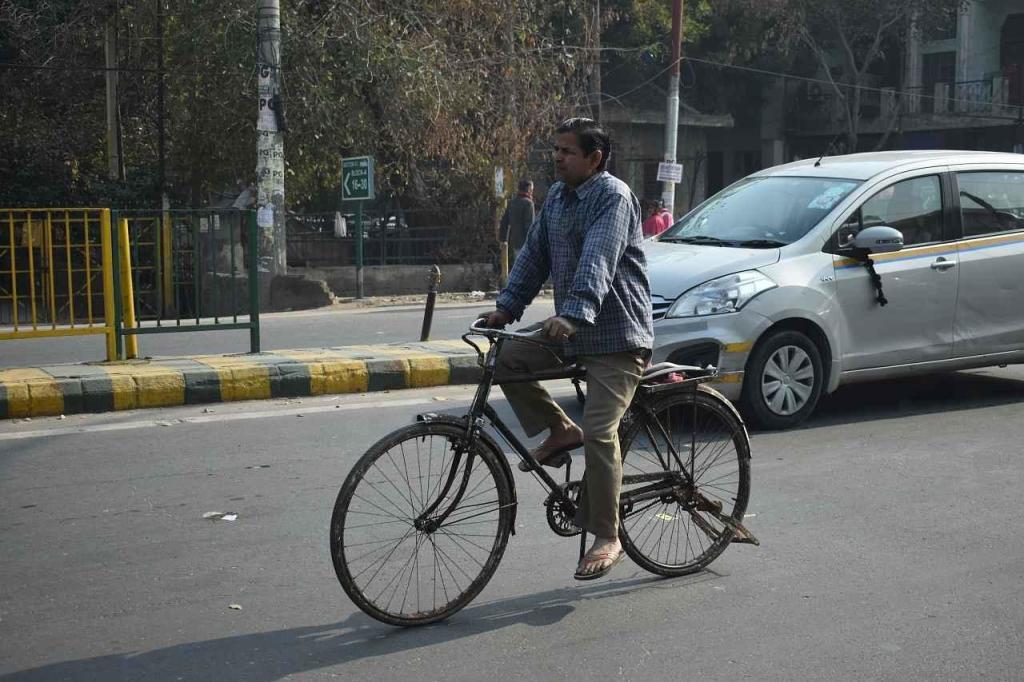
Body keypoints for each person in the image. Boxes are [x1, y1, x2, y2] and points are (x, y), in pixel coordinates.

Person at [480, 117, 653, 581]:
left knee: (600, 431)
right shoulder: (556, 197)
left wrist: (573, 312)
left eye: (567, 151)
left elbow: (598, 258)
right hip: (572, 331)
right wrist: (506, 309)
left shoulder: (613, 197)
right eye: (555, 149)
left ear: (594, 159)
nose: (557, 157)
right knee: (507, 356)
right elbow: (533, 256)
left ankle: (607, 534)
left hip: (617, 337)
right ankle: (558, 429)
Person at [499, 179, 535, 265]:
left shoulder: (512, 202)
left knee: (519, 267)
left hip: (515, 243)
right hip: (526, 244)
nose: (533, 192)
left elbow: (504, 222)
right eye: (532, 189)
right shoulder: (528, 203)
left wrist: (503, 239)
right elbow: (529, 226)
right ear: (529, 189)